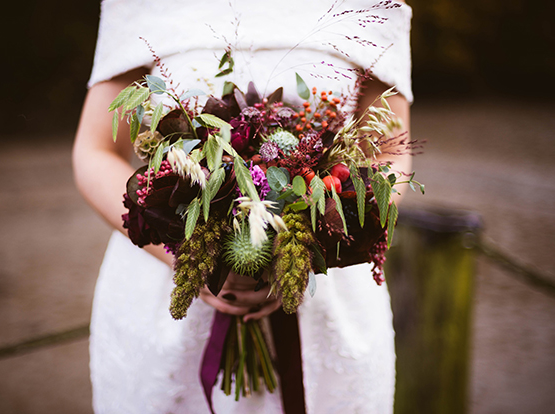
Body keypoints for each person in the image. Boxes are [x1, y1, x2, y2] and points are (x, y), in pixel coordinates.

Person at [73, 0, 413, 412]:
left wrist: (310, 241)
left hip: (321, 290)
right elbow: (94, 152)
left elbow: (391, 154)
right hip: (163, 292)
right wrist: (185, 257)